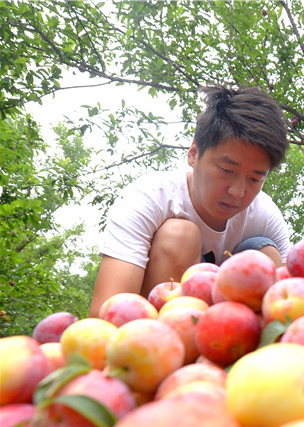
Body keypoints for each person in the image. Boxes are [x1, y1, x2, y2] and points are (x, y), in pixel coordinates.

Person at [88, 85, 291, 317]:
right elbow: (105, 314)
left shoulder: (265, 215)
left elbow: (291, 300)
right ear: (193, 153)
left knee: (264, 253)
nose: (238, 191)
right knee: (179, 236)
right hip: (160, 332)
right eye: (226, 170)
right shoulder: (149, 198)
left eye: (255, 178)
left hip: (230, 331)